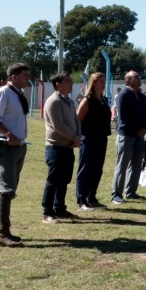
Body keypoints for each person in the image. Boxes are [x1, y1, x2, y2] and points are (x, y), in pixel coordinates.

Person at [0, 63, 30, 247]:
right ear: (13, 77)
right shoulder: (2, 93)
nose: (28, 79)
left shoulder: (18, 95)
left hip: (18, 147)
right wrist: (9, 134)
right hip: (5, 147)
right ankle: (4, 233)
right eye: (24, 75)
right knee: (5, 188)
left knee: (9, 188)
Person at [42, 72, 82, 224]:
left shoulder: (69, 102)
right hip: (55, 147)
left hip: (68, 147)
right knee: (54, 180)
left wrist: (77, 137)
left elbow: (76, 121)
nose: (71, 84)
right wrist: (74, 138)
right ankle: (47, 212)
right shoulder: (53, 102)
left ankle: (60, 208)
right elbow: (58, 125)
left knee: (64, 179)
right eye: (68, 82)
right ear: (58, 85)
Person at [111, 71, 146, 204]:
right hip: (127, 135)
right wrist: (137, 130)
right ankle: (116, 193)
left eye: (139, 77)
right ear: (127, 80)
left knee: (136, 164)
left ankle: (131, 191)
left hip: (140, 135)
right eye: (136, 77)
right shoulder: (123, 95)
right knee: (122, 164)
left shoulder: (141, 96)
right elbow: (124, 117)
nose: (139, 78)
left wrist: (145, 127)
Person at [75, 72, 111, 210]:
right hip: (88, 138)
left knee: (97, 169)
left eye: (104, 81)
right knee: (86, 169)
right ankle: (82, 199)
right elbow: (78, 120)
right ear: (94, 83)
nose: (103, 84)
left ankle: (92, 197)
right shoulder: (87, 100)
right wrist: (77, 137)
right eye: (101, 81)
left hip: (102, 138)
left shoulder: (104, 99)